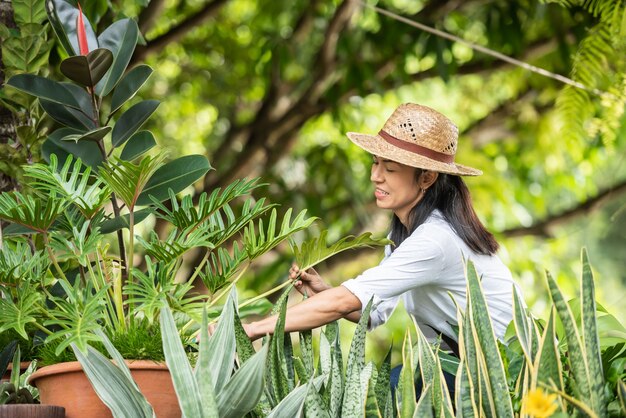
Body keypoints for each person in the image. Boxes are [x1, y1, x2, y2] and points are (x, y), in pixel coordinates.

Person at [243, 103, 521, 389]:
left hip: (491, 373)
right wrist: (325, 293)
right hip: (450, 365)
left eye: (390, 168)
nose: (376, 176)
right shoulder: (405, 231)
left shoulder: (435, 240)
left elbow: (345, 302)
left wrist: (249, 329)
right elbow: (374, 313)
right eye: (375, 163)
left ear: (426, 177)